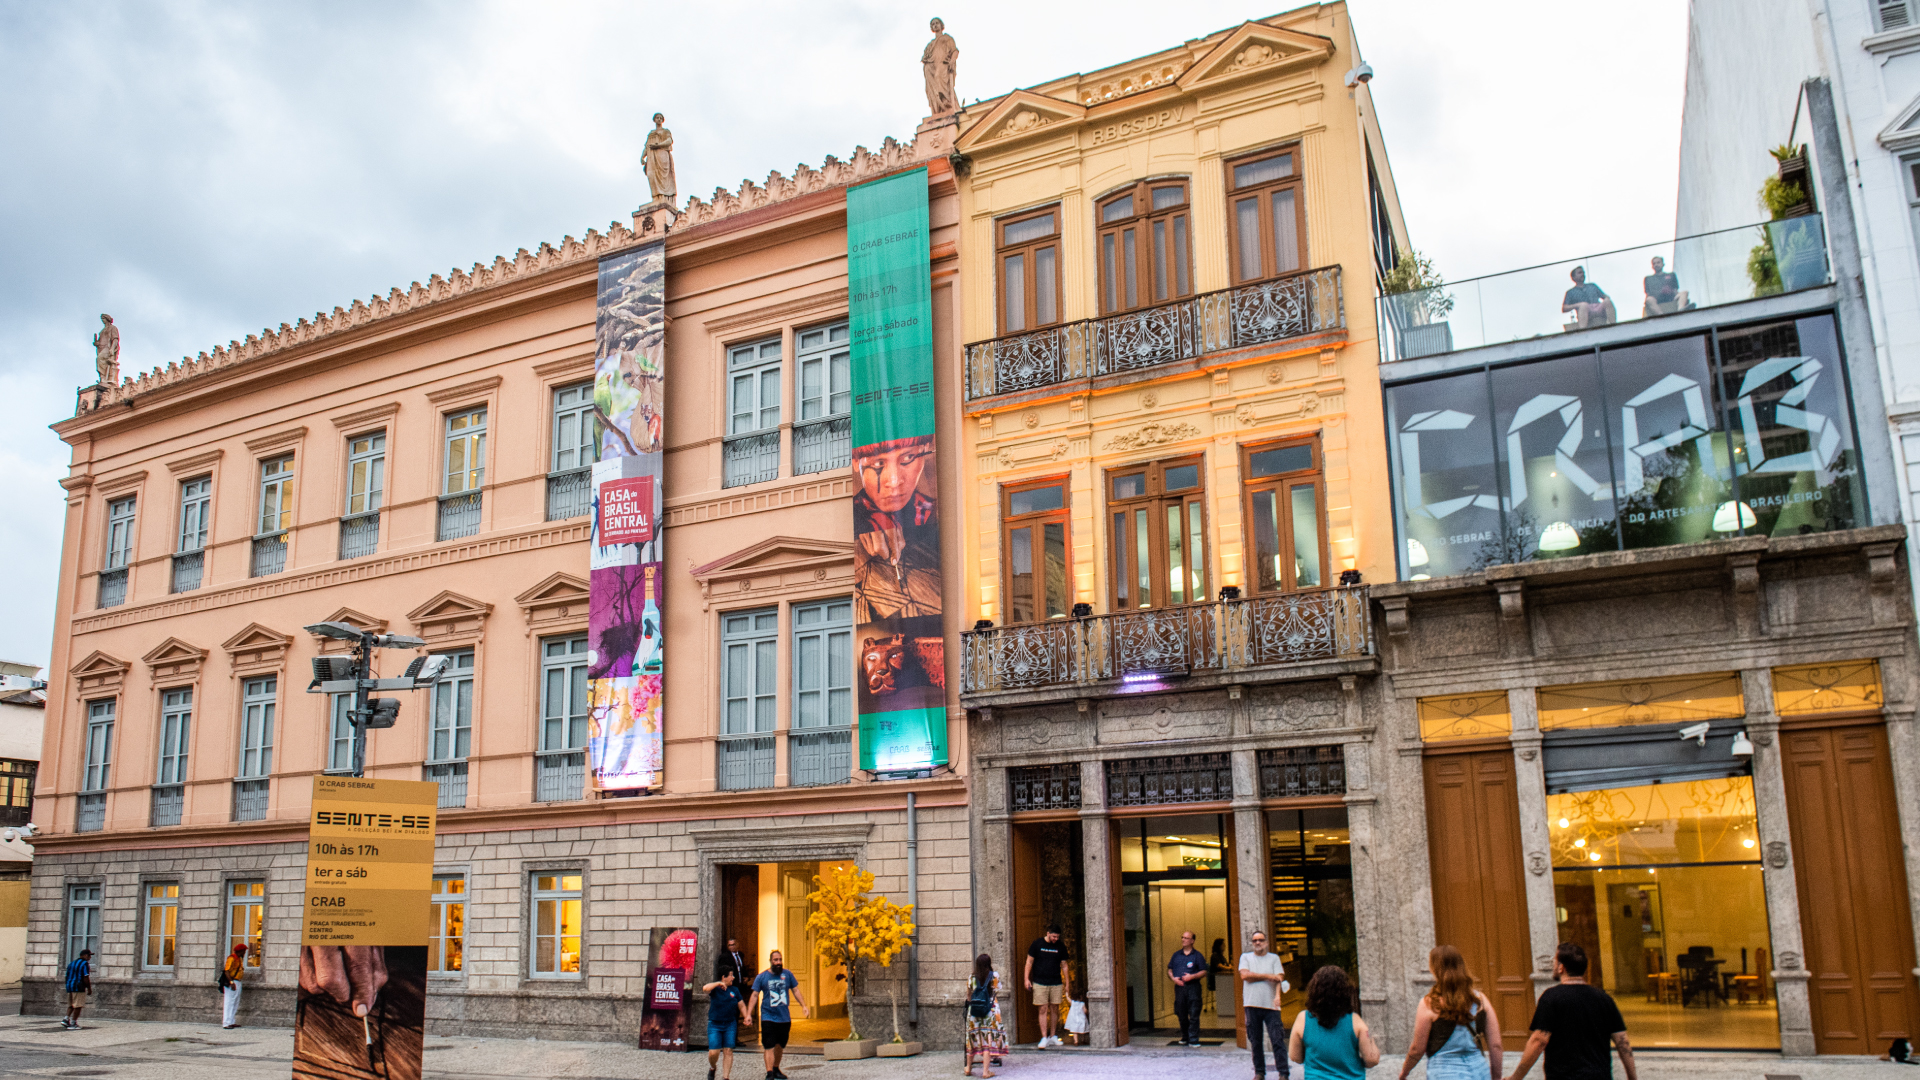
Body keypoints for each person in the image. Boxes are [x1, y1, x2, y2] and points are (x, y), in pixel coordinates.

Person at [1507, 943, 1637, 1080]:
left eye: (1554, 961)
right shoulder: (1604, 999)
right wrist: (1632, 1077)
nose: (1553, 965)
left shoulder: (1551, 998)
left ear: (1561, 967)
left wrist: (1516, 1077)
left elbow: (1539, 1040)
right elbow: (1622, 1042)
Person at [1397, 946, 1502, 1080]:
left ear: (1434, 969)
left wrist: (1404, 1072)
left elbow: (1417, 1049)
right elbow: (1496, 1045)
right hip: (1479, 1072)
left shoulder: (1429, 1003)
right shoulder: (1481, 1000)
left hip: (1443, 1073)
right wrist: (1496, 1077)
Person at [1288, 965, 1379, 1080]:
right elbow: (1371, 1060)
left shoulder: (1303, 1019)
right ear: (1345, 992)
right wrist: (1372, 1041)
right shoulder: (1355, 1021)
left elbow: (1295, 1057)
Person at [749, 949, 808, 1080]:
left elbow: (796, 990)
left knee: (780, 1045)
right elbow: (754, 995)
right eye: (775, 960)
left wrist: (803, 1006)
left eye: (780, 960)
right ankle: (769, 1072)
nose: (778, 962)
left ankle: (776, 1068)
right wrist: (748, 1014)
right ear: (770, 961)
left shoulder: (788, 974)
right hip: (768, 1016)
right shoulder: (762, 977)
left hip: (784, 1017)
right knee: (769, 1045)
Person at [1239, 931, 1288, 1080]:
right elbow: (1245, 976)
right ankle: (1259, 1072)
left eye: (1260, 940)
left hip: (1271, 1005)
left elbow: (1279, 978)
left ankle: (1283, 1073)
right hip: (1251, 1004)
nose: (1258, 943)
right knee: (1255, 1041)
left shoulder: (1274, 958)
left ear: (1266, 942)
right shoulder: (1245, 957)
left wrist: (1277, 995)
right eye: (1255, 940)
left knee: (1277, 1040)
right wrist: (1268, 976)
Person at [1024, 924, 1071, 1048]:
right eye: (1054, 936)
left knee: (1055, 1008)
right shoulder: (1037, 944)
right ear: (1048, 933)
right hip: (1040, 981)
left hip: (1056, 981)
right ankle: (1044, 1037)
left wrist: (1067, 983)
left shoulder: (1060, 946)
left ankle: (1053, 1036)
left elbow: (1064, 966)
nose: (1055, 939)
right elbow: (1029, 961)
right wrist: (1026, 979)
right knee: (1043, 1009)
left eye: (1057, 937)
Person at [964, 952, 1009, 1077]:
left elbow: (968, 995)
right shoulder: (994, 976)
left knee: (972, 1039)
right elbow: (997, 989)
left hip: (974, 1012)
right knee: (987, 1042)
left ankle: (968, 1068)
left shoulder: (971, 977)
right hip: (990, 1011)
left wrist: (972, 1003)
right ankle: (985, 1072)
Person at [702, 969, 749, 1080]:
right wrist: (718, 983)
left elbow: (741, 1005)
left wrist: (746, 1016)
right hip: (715, 1024)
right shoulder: (715, 989)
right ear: (724, 977)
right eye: (731, 975)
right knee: (713, 1052)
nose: (733, 978)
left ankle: (726, 1077)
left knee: (728, 1051)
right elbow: (705, 988)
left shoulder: (735, 990)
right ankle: (713, 1067)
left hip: (730, 1024)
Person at [1167, 929, 1208, 1046]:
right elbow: (1169, 969)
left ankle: (1193, 1038)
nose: (1183, 940)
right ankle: (1185, 1036)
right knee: (1181, 1013)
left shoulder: (1197, 956)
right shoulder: (1176, 955)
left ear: (1192, 941)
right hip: (1180, 988)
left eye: (1186, 938)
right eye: (1182, 937)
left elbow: (1204, 971)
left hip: (1193, 987)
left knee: (1194, 1013)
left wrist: (1192, 976)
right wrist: (1173, 978)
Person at [62, 948, 92, 1030]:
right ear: (85, 955)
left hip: (70, 986)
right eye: (89, 955)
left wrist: (67, 985)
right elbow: (86, 977)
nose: (90, 957)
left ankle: (66, 1019)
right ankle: (73, 1023)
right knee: (78, 1005)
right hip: (79, 986)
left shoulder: (71, 963)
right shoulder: (84, 964)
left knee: (71, 1004)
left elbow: (66, 976)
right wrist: (89, 988)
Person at [220, 943, 248, 1028]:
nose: (244, 953)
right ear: (240, 951)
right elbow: (227, 971)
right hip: (232, 981)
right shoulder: (231, 958)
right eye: (244, 951)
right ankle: (226, 1022)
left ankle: (231, 1021)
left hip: (238, 981)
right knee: (229, 1002)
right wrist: (231, 982)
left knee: (235, 1002)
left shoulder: (239, 959)